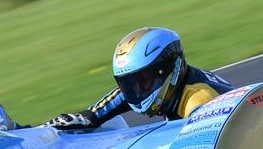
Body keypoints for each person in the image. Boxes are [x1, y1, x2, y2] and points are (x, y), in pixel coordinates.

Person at [44, 27, 233, 130]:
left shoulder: (199, 100)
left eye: (143, 79)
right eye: (131, 82)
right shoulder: (169, 90)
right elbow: (121, 97)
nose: (137, 89)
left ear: (167, 69)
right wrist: (87, 117)